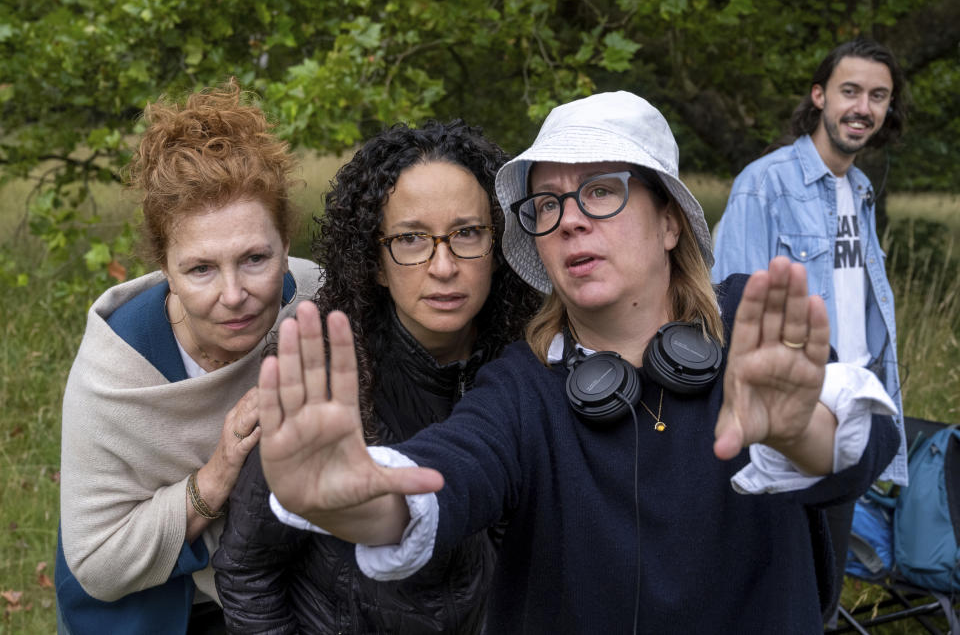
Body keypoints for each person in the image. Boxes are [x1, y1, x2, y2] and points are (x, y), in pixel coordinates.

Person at [258, 91, 900, 633]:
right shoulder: (521, 386)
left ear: (670, 221)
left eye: (601, 191)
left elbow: (862, 437)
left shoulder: (751, 327)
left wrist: (799, 431)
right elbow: (444, 476)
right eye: (548, 204)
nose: (569, 221)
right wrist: (354, 500)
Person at [212, 120, 541, 633]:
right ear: (377, 262)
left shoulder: (527, 363)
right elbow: (247, 570)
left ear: (498, 248)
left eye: (467, 233)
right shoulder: (324, 380)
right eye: (411, 239)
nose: (444, 265)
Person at [55, 81, 319, 634]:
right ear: (164, 271)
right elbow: (98, 564)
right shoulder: (114, 373)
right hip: (151, 612)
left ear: (286, 246)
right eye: (201, 268)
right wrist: (215, 478)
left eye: (254, 258)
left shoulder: (318, 303)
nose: (233, 294)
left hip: (283, 590)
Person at [711, 37, 909, 622]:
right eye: (850, 91)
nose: (863, 108)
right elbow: (729, 304)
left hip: (845, 416)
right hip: (784, 420)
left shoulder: (862, 190)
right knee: (774, 592)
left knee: (822, 589)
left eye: (878, 96)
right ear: (820, 96)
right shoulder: (764, 184)